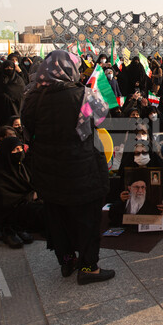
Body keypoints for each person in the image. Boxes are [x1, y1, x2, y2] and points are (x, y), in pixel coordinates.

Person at [22, 51, 113, 284]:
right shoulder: (83, 94)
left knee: (58, 216)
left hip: (47, 169)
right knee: (87, 217)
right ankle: (88, 267)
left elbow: (27, 128)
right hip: (81, 167)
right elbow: (104, 119)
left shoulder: (32, 96)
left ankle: (67, 261)